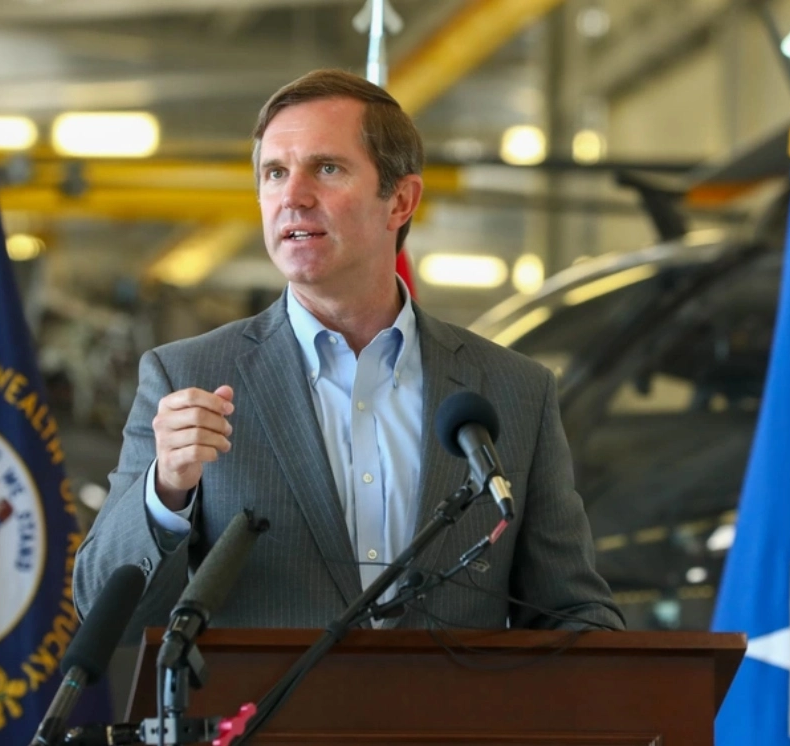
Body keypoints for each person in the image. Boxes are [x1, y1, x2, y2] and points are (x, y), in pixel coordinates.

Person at [73, 69, 623, 634]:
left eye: (327, 168)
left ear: (400, 201)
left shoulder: (515, 391)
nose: (293, 196)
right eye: (275, 173)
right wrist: (166, 491)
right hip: (265, 723)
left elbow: (570, 611)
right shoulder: (185, 376)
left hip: (450, 724)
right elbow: (106, 613)